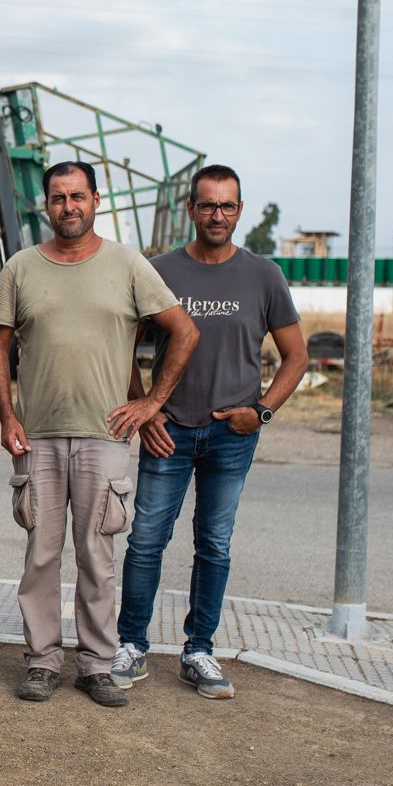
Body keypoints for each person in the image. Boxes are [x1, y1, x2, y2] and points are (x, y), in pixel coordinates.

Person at [0, 160, 199, 708]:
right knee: (40, 553)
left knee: (97, 554)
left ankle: (98, 665)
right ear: (46, 206)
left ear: (96, 200)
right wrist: (7, 416)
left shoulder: (129, 265)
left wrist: (151, 403)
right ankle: (41, 661)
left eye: (77, 196)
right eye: (58, 198)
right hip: (37, 436)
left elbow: (184, 331)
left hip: (105, 435)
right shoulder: (22, 268)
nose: (68, 207)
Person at [112, 164, 308, 699]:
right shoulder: (159, 270)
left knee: (214, 544)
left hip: (233, 434)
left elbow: (296, 357)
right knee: (147, 539)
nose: (217, 215)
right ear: (192, 210)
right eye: (207, 205)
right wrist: (146, 409)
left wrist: (261, 411)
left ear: (239, 211)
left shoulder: (264, 275)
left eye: (227, 206)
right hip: (168, 432)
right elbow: (126, 343)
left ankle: (199, 650)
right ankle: (131, 645)